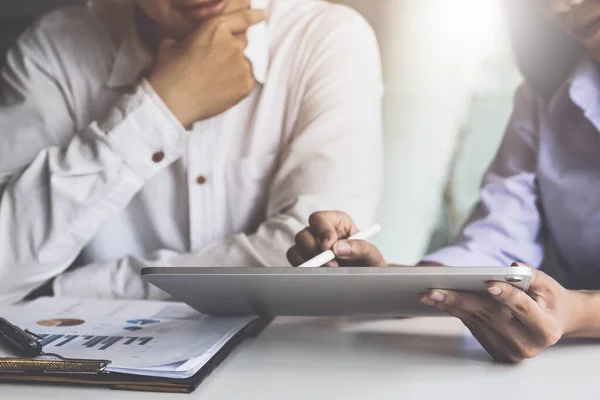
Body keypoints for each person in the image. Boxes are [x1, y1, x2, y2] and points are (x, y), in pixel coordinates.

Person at [0, 0, 383, 305]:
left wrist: (68, 289)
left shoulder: (325, 38)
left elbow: (313, 261)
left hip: (280, 357)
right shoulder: (53, 50)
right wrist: (161, 108)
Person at [288, 0, 600, 363]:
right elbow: (496, 243)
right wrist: (385, 283)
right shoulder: (542, 101)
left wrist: (581, 312)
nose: (559, 8)